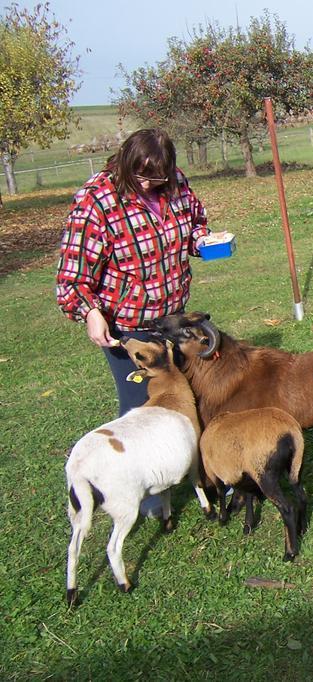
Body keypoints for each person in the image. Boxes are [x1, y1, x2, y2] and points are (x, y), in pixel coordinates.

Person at [56, 129, 212, 513]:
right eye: (141, 176)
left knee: (191, 398)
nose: (148, 184)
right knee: (143, 411)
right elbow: (72, 276)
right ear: (125, 163)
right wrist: (90, 311)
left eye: (156, 178)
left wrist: (205, 239)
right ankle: (151, 495)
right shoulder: (96, 201)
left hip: (173, 319)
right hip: (129, 329)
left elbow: (193, 226)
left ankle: (208, 473)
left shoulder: (175, 184)